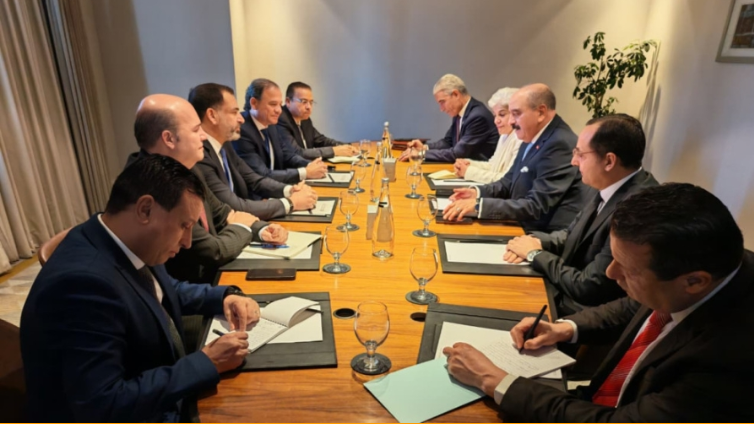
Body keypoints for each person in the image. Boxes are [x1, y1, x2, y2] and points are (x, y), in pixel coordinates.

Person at [444, 183, 754, 422]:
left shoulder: (730, 360)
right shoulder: (710, 266)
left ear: (694, 281)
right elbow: (637, 307)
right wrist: (565, 328)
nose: (610, 273)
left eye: (628, 269)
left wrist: (495, 381)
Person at [21, 155, 260, 422]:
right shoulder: (82, 285)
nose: (187, 242)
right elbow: (104, 404)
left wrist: (223, 296)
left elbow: (161, 289)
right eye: (184, 226)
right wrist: (207, 362)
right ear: (145, 210)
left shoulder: (121, 238)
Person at [505, 114, 658, 316]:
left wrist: (535, 254)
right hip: (564, 288)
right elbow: (571, 235)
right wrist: (530, 241)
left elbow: (589, 286)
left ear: (609, 161)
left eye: (580, 154)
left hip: (581, 312)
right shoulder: (611, 183)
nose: (574, 161)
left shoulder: (636, 209)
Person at [126, 94, 288, 284]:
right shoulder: (152, 183)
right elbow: (212, 251)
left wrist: (262, 230)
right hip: (193, 289)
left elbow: (222, 213)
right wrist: (243, 227)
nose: (204, 136)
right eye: (196, 130)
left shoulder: (188, 166)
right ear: (169, 139)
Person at [443, 84, 588, 232]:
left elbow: (536, 206)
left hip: (541, 234)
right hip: (520, 223)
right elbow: (508, 181)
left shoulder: (559, 143)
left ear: (541, 112)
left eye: (516, 114)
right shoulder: (532, 133)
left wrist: (479, 205)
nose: (511, 121)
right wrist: (477, 193)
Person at [189, 83, 318, 220]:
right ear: (212, 116)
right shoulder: (200, 156)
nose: (241, 118)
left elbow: (254, 179)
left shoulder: (225, 145)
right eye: (234, 112)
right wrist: (291, 203)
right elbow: (234, 206)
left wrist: (289, 190)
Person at [233, 78, 328, 184]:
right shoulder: (242, 130)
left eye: (280, 104)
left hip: (278, 187)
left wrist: (310, 165)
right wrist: (304, 172)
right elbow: (262, 174)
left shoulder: (271, 124)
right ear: (254, 103)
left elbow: (287, 155)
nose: (279, 110)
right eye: (273, 104)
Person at [399, 74, 498, 163]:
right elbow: (448, 142)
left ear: (456, 94)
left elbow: (458, 154)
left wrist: (421, 154)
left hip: (479, 172)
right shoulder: (460, 112)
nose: (441, 109)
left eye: (442, 102)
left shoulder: (477, 116)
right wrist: (424, 147)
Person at [453, 87, 523, 183]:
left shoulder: (520, 139)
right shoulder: (504, 136)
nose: (496, 121)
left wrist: (468, 172)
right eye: (495, 115)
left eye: (502, 115)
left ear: (515, 114)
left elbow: (506, 180)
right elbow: (493, 166)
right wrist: (469, 164)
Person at [277, 81, 359, 159]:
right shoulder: (281, 119)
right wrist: (334, 151)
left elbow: (321, 140)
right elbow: (296, 153)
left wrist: (346, 146)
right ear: (288, 101)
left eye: (311, 102)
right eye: (304, 102)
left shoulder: (305, 119)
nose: (309, 107)